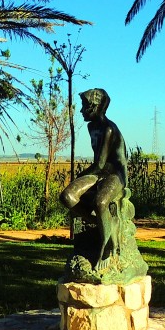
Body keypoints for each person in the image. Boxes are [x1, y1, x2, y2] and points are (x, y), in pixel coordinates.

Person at [59, 88, 126, 270]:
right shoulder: (91, 127)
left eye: (84, 106)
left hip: (114, 175)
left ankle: (107, 246)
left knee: (101, 201)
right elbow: (98, 166)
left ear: (95, 107)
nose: (81, 111)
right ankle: (104, 224)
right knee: (67, 197)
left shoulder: (109, 129)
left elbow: (101, 163)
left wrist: (80, 177)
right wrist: (79, 180)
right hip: (98, 173)